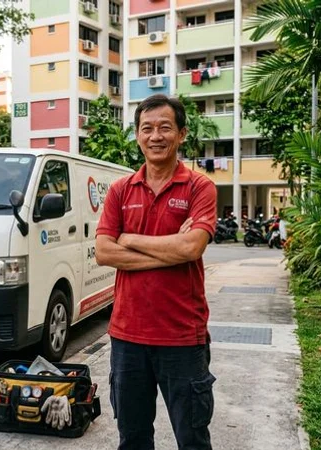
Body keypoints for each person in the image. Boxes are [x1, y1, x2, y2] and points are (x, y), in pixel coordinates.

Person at [95, 94, 218, 450]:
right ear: (137, 135)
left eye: (165, 128)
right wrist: (171, 251)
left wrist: (129, 239)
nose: (156, 136)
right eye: (147, 128)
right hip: (127, 338)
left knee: (192, 438)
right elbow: (104, 252)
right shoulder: (120, 190)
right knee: (132, 438)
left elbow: (191, 247)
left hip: (182, 338)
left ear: (181, 134)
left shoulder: (200, 187)